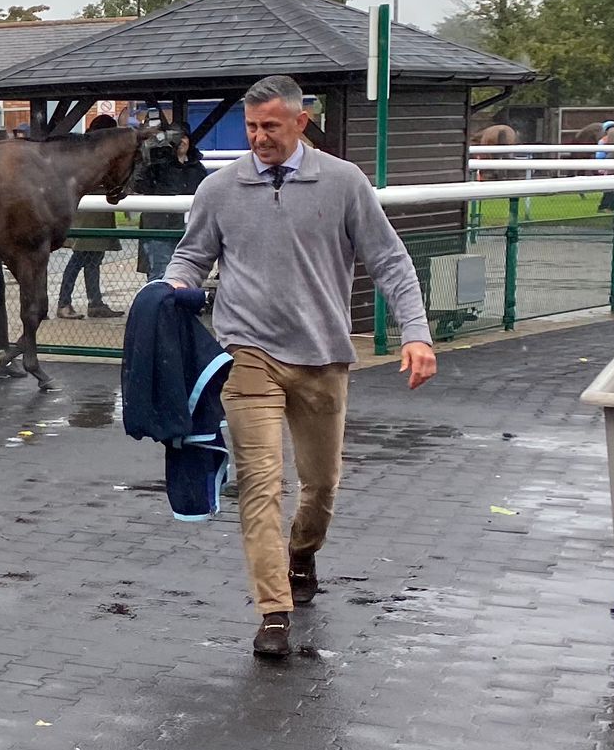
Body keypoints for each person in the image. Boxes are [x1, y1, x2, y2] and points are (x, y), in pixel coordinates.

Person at [164, 75, 437, 660]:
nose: (258, 137)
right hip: (247, 354)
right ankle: (273, 610)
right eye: (251, 126)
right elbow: (192, 254)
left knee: (320, 487)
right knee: (260, 485)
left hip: (322, 357)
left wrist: (416, 333)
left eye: (270, 126)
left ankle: (303, 551)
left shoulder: (342, 182)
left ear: (300, 122)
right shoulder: (220, 188)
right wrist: (173, 288)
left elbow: (389, 260)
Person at [55, 114, 120, 318]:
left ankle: (94, 302)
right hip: (89, 213)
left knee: (92, 258)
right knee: (81, 257)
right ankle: (65, 303)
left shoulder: (87, 149)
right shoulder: (92, 152)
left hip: (93, 211)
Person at [136, 131, 207, 282]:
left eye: (184, 137)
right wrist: (151, 160)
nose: (181, 141)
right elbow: (140, 184)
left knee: (187, 273)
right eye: (177, 138)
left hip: (189, 229)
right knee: (160, 274)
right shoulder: (158, 166)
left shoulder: (197, 168)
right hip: (159, 227)